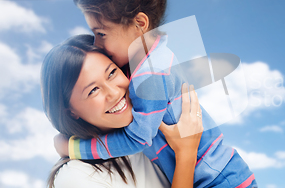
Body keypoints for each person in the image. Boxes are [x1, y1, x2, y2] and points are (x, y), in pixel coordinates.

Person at [54, 0, 257, 187]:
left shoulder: (150, 76)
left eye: (101, 33)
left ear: (140, 24)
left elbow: (137, 138)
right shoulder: (154, 56)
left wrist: (74, 148)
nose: (97, 44)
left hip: (219, 180)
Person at [42, 35, 203, 188]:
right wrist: (186, 153)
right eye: (93, 90)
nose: (114, 93)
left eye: (112, 73)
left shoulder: (151, 128)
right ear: (71, 113)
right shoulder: (76, 177)